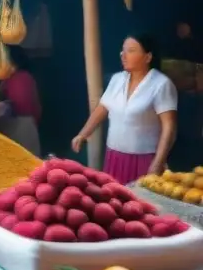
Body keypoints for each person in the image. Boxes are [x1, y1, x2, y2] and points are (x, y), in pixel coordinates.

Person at [72, 34, 177, 184]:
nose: (123, 54)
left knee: (142, 204)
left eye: (131, 50)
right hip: (114, 156)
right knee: (116, 202)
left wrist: (158, 162)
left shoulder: (161, 84)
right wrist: (83, 134)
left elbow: (169, 127)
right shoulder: (117, 79)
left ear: (148, 57)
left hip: (145, 158)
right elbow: (102, 109)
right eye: (123, 50)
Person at [0, 47, 42, 155]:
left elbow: (20, 103)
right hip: (29, 124)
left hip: (18, 125)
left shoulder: (14, 79)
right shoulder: (27, 77)